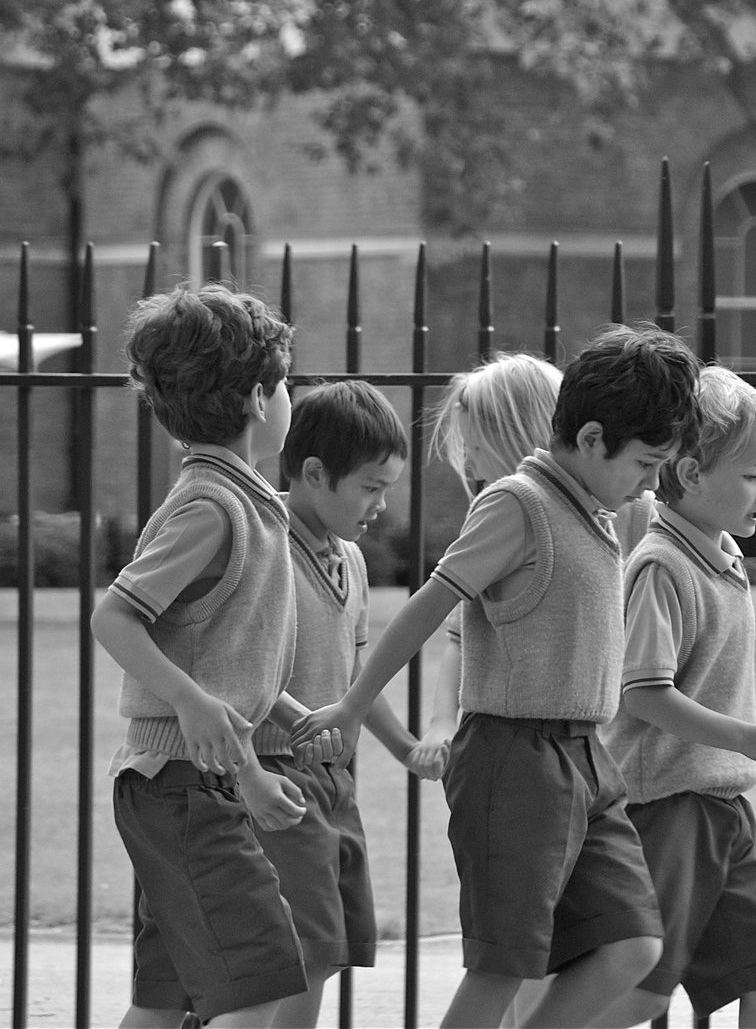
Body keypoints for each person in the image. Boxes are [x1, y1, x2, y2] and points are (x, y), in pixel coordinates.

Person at [294, 323, 701, 1029]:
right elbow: (431, 608)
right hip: (512, 759)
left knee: (633, 946)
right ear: (596, 438)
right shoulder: (518, 503)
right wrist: (356, 705)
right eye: (645, 461)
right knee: (504, 965)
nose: (651, 481)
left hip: (584, 757)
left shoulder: (601, 511)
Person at [91, 283, 307, 1028]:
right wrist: (188, 700)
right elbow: (115, 615)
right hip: (179, 787)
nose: (291, 399)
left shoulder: (244, 500)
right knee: (261, 981)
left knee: (167, 997)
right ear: (256, 398)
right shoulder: (211, 506)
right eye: (286, 385)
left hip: (190, 786)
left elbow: (216, 646)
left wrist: (281, 707)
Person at [595, 366, 756, 1028]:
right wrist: (750, 737)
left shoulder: (718, 556)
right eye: (752, 476)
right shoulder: (661, 564)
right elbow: (644, 694)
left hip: (724, 806)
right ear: (690, 474)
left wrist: (744, 752)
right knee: (641, 990)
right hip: (667, 808)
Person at [253, 380, 440, 1028]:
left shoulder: (351, 561)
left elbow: (352, 679)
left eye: (387, 488)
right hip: (273, 774)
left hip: (335, 779)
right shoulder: (263, 545)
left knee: (328, 947)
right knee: (301, 947)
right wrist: (291, 721)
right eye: (369, 487)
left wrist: (406, 747)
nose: (381, 506)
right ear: (312, 473)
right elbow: (234, 667)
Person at [405, 351, 657, 778]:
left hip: (598, 751)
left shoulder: (631, 509)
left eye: (474, 446)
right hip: (530, 748)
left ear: (513, 435)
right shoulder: (509, 513)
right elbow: (458, 634)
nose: (466, 463)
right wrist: (442, 722)